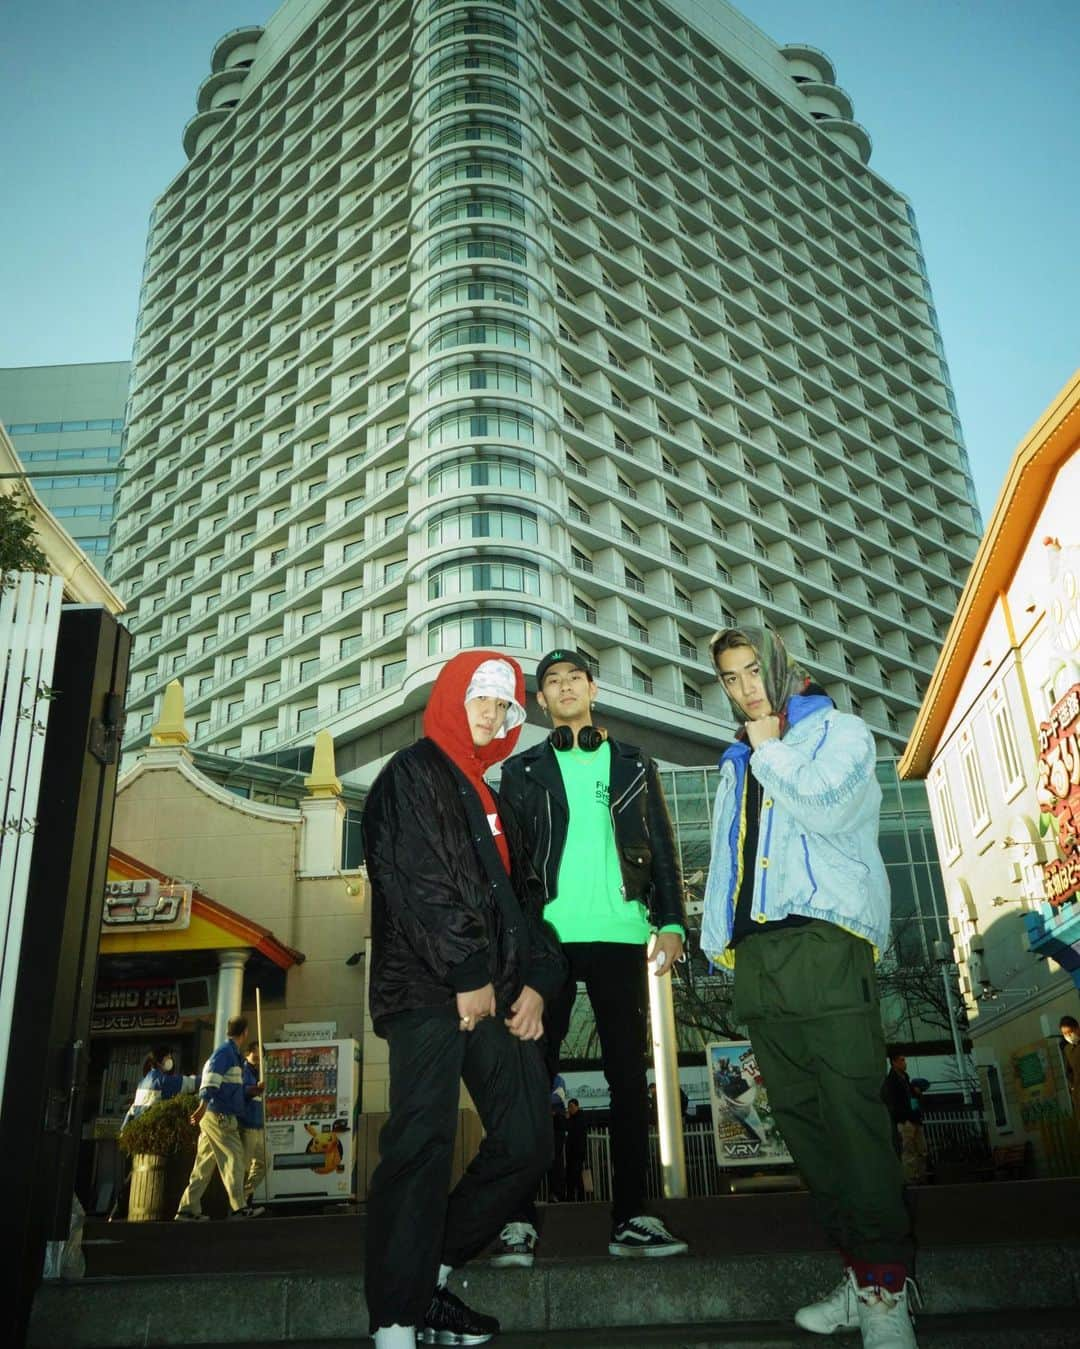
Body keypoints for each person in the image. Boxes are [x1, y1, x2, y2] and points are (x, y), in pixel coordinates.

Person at [702, 625, 917, 1349]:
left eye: (753, 669)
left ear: (785, 667)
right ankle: (860, 1274)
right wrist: (715, 944)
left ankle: (888, 1289)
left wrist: (769, 743)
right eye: (731, 678)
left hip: (824, 939)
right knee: (803, 1126)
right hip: (759, 956)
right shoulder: (738, 760)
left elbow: (828, 807)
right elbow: (732, 862)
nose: (744, 686)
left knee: (851, 1116)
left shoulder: (840, 733)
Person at [363, 651, 567, 1349]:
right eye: (481, 695)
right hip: (428, 989)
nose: (492, 711)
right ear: (452, 695)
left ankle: (429, 1279)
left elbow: (529, 905)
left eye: (505, 704)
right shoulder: (410, 774)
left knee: (527, 1139)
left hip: (496, 991)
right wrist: (467, 969)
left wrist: (540, 979)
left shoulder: (496, 796)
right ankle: (395, 1320)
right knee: (419, 1142)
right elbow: (415, 879)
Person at [494, 649, 689, 1266]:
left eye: (575, 677)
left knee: (629, 1077)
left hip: (619, 933)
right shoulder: (522, 770)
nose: (566, 686)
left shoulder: (634, 761)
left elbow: (660, 839)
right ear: (542, 702)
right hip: (547, 938)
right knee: (529, 1079)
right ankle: (517, 1221)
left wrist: (672, 919)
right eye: (552, 682)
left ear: (592, 690)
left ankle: (632, 1215)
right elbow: (512, 865)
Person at [175, 1015, 264, 1222]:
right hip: (220, 1115)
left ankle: (187, 1209)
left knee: (204, 1165)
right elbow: (211, 1079)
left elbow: (228, 1086)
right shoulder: (227, 1053)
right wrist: (202, 1105)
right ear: (245, 1033)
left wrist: (251, 1090)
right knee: (234, 1159)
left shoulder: (229, 1053)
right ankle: (238, 1208)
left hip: (213, 1114)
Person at [110, 1048, 196, 1219]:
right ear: (159, 1061)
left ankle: (117, 1212)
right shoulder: (161, 1080)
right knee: (145, 1174)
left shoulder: (145, 1081)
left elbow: (133, 1110)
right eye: (168, 1057)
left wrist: (124, 1131)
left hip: (139, 1135)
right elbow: (189, 1083)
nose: (170, 1060)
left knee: (135, 1175)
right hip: (154, 1137)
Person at [882, 1050, 927, 1183]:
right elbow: (894, 1102)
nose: (904, 1063)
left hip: (912, 1118)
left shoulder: (905, 1078)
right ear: (894, 1062)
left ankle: (920, 1176)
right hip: (906, 1120)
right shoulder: (892, 1081)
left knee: (921, 1149)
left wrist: (916, 1094)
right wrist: (903, 1118)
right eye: (901, 1060)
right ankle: (911, 1178)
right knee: (909, 1151)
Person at [240, 1041, 266, 1207]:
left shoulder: (259, 1072)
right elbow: (245, 1091)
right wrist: (256, 1088)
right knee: (244, 1167)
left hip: (258, 1126)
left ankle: (245, 1193)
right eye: (255, 1053)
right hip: (247, 1125)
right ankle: (239, 1203)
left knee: (263, 1162)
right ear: (248, 1053)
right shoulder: (244, 1070)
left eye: (260, 1054)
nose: (258, 1057)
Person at [564, 1098, 588, 1202]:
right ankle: (570, 1197)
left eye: (572, 1107)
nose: (570, 1109)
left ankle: (580, 1197)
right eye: (569, 1107)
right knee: (570, 1174)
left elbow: (574, 1131)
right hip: (570, 1152)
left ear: (577, 1107)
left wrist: (568, 1119)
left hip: (578, 1152)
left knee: (577, 1174)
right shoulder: (572, 1118)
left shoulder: (580, 1118)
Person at [1060, 1016, 1080, 1113]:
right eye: (1065, 1034)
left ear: (1077, 1028)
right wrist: (1072, 1087)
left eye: (1070, 1032)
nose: (1068, 1036)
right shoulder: (1068, 1050)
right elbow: (1069, 1071)